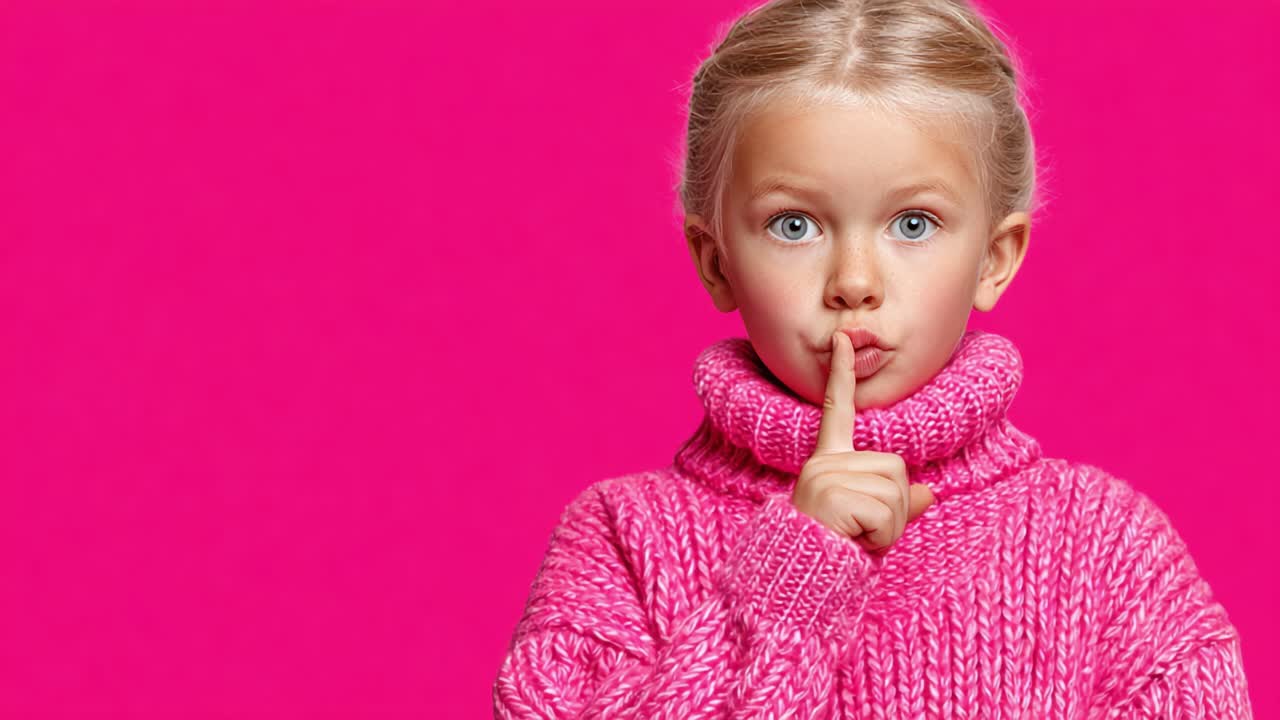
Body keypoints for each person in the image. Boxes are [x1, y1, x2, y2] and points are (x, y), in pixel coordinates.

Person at [491, 0, 1255, 717]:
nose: (853, 282)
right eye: (794, 226)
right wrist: (791, 581)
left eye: (913, 224)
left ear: (995, 257)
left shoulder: (1106, 549)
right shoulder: (623, 535)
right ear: (716, 260)